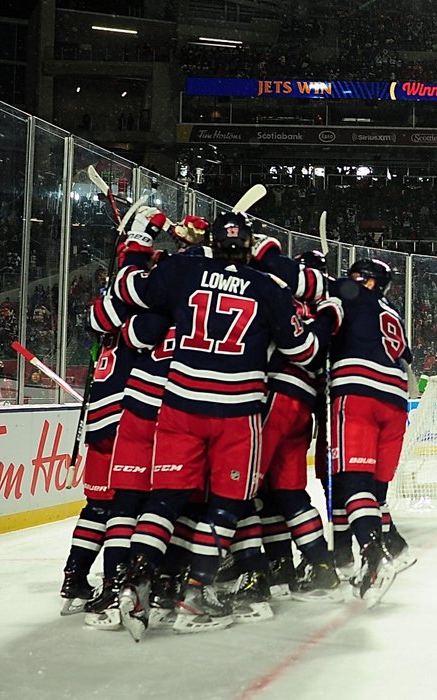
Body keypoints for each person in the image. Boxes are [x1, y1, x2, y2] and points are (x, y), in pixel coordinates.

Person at [111, 208, 343, 640]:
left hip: (180, 407)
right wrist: (330, 315)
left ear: (214, 244)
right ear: (250, 247)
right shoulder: (266, 288)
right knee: (226, 506)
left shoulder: (183, 270)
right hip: (237, 413)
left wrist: (138, 245)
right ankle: (194, 595)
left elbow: (129, 292)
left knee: (164, 499)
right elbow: (307, 351)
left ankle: (136, 579)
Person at [327, 258, 412, 607]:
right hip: (396, 400)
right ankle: (397, 546)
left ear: (370, 282)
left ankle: (374, 558)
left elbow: (313, 286)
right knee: (375, 489)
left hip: (360, 392)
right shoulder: (393, 311)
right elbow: (404, 352)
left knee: (353, 483)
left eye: (356, 277)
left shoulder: (354, 295)